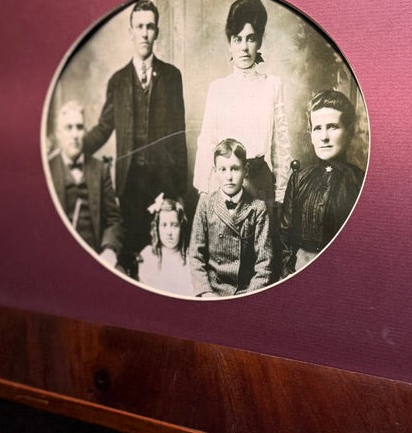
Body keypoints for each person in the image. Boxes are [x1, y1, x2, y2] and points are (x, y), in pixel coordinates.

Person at [84, 0, 188, 267]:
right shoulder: (118, 81)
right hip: (129, 185)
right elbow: (103, 129)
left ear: (157, 32)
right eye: (139, 27)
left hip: (163, 185)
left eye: (150, 27)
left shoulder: (172, 77)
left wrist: (179, 192)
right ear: (130, 32)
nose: (144, 33)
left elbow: (179, 137)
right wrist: (74, 149)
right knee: (130, 255)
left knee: (163, 254)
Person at [192, 0, 291, 214]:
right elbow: (207, 141)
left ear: (260, 41)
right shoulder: (218, 88)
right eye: (238, 39)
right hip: (225, 182)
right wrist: (204, 191)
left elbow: (280, 146)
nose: (244, 47)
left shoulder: (273, 85)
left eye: (251, 38)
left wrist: (282, 194)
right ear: (229, 44)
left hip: (260, 185)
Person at [279, 89, 364, 277]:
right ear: (310, 135)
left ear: (349, 132)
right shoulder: (298, 179)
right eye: (317, 128)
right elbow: (285, 238)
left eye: (333, 127)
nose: (324, 137)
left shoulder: (359, 182)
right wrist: (288, 274)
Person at [189, 138, 272, 297]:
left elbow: (264, 264)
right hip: (212, 290)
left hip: (245, 292)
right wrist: (205, 292)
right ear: (214, 171)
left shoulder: (258, 208)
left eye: (235, 169)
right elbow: (195, 255)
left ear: (245, 170)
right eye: (223, 169)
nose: (229, 176)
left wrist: (248, 297)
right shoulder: (206, 204)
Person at [48, 100, 124, 267]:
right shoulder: (48, 169)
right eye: (69, 128)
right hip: (59, 258)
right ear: (59, 134)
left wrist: (109, 250)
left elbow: (114, 219)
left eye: (79, 127)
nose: (75, 134)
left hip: (98, 255)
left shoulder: (100, 169)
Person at [137, 195, 194, 296]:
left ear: (181, 227)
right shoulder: (148, 256)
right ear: (157, 228)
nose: (169, 232)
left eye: (174, 225)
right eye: (164, 225)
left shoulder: (190, 258)